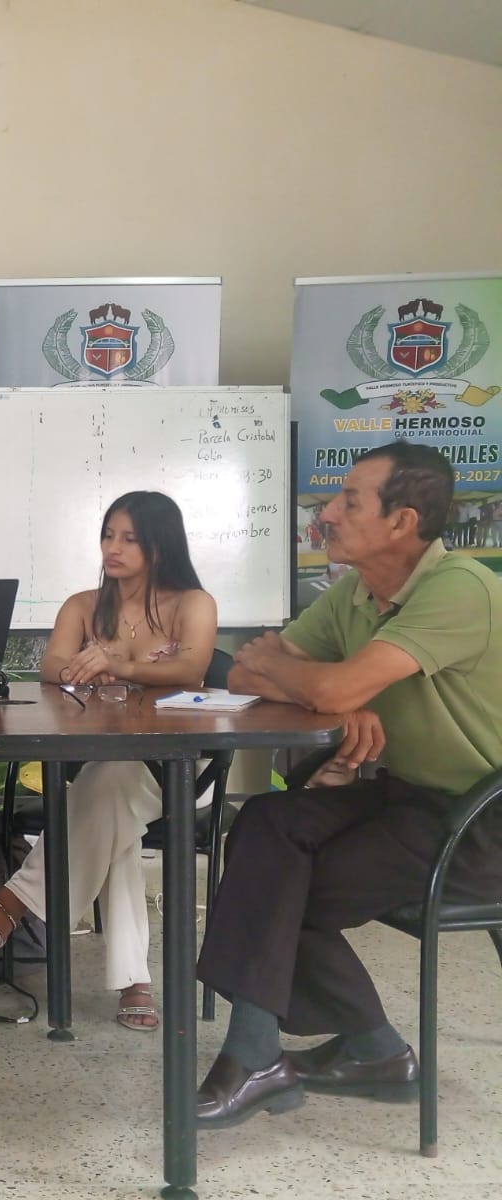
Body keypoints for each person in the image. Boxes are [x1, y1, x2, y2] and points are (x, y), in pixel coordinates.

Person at [193, 442, 502, 1128]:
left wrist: (332, 688)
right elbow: (243, 673)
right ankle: (364, 1051)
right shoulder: (355, 593)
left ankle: (273, 1057)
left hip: (480, 821)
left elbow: (317, 680)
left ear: (402, 522)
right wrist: (338, 696)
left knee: (275, 889)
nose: (326, 513)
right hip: (409, 797)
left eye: (348, 501)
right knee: (266, 823)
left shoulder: (461, 589)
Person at [0, 492, 217, 1029]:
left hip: (177, 769)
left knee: (106, 797)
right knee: (110, 812)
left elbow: (190, 671)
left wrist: (119, 665)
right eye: (107, 535)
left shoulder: (193, 603)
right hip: (102, 766)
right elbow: (52, 667)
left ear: (160, 545)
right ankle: (134, 981)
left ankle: (15, 900)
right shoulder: (82, 605)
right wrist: (80, 668)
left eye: (129, 539)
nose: (112, 548)